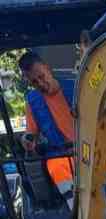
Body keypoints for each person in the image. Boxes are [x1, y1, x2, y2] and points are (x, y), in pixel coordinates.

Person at [19, 51, 75, 210]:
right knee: (56, 166)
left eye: (41, 77)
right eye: (35, 82)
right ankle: (77, 210)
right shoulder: (32, 101)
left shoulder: (77, 86)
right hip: (60, 154)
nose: (40, 84)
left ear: (47, 68)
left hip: (88, 146)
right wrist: (27, 140)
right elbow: (31, 132)